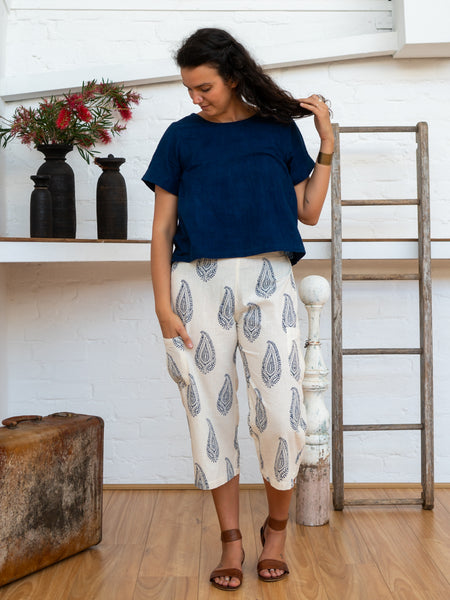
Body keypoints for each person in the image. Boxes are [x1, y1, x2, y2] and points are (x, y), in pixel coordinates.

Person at [143, 27, 333, 591]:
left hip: (269, 279)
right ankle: (231, 540)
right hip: (195, 284)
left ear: (231, 76)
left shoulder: (276, 131)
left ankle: (276, 531)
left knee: (281, 414)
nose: (194, 97)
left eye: (203, 87)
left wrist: (326, 143)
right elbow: (161, 231)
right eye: (188, 88)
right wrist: (162, 305)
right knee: (209, 412)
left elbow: (309, 212)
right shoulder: (181, 138)